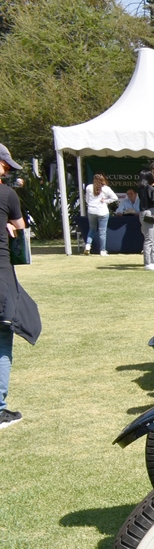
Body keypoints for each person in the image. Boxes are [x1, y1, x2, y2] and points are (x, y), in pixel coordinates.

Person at [0, 142, 39, 429]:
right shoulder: (6, 194)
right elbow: (20, 227)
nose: (6, 173)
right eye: (4, 167)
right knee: (3, 338)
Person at [137, 168, 154, 270]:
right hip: (148, 212)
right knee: (150, 239)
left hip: (148, 212)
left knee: (153, 238)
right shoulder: (148, 188)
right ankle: (148, 263)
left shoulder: (142, 188)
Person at [83, 173, 117, 255]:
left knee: (92, 229)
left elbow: (87, 200)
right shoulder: (106, 189)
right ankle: (102, 250)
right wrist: (105, 201)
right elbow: (115, 197)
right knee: (102, 232)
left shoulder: (89, 187)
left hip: (91, 210)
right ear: (103, 180)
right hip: (102, 211)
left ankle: (88, 245)